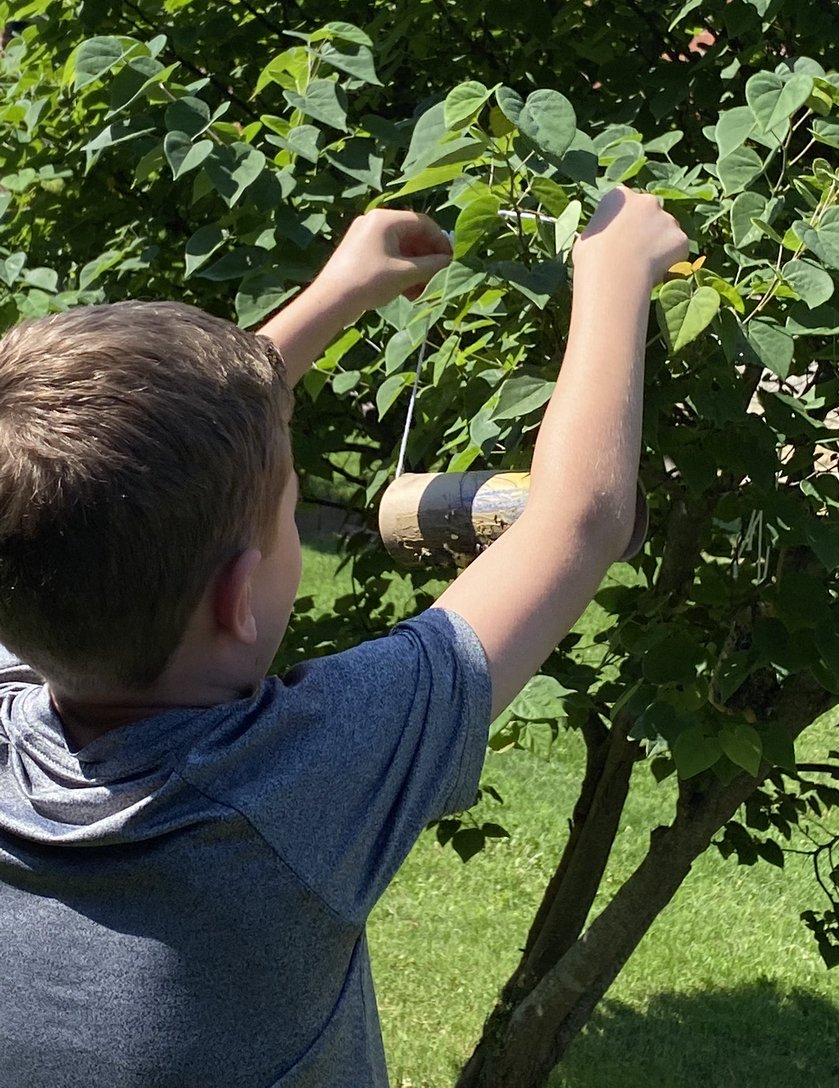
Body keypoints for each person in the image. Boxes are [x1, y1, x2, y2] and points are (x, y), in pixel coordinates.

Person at [0, 187, 686, 1087]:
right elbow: (578, 523)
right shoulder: (296, 784)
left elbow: (120, 484)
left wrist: (338, 292)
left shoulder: (23, 676)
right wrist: (615, 269)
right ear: (240, 598)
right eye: (290, 514)